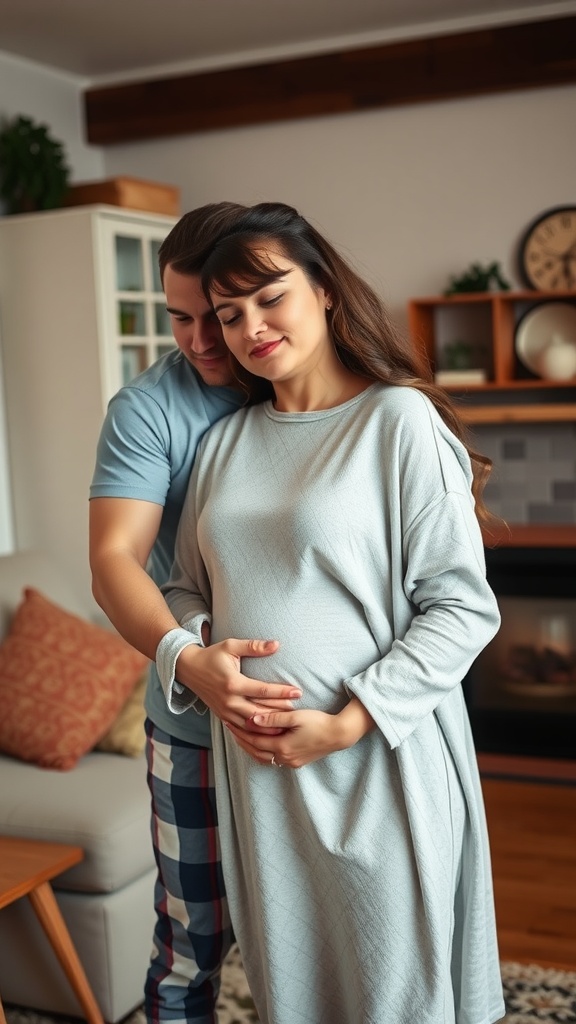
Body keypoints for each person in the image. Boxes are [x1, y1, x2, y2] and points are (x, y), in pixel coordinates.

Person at [157, 202, 506, 1024]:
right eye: (229, 315)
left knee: (398, 991)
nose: (250, 327)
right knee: (296, 990)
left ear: (322, 289)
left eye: (269, 297)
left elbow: (461, 604)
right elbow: (182, 586)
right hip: (262, 774)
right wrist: (209, 660)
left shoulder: (397, 421)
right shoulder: (225, 444)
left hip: (377, 762)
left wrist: (349, 722)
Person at [89, 202, 303, 1024]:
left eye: (214, 315)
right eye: (180, 318)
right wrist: (186, 659)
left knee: (315, 939)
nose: (201, 339)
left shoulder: (325, 388)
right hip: (189, 732)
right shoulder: (147, 410)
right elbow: (114, 560)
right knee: (191, 944)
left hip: (315, 727)